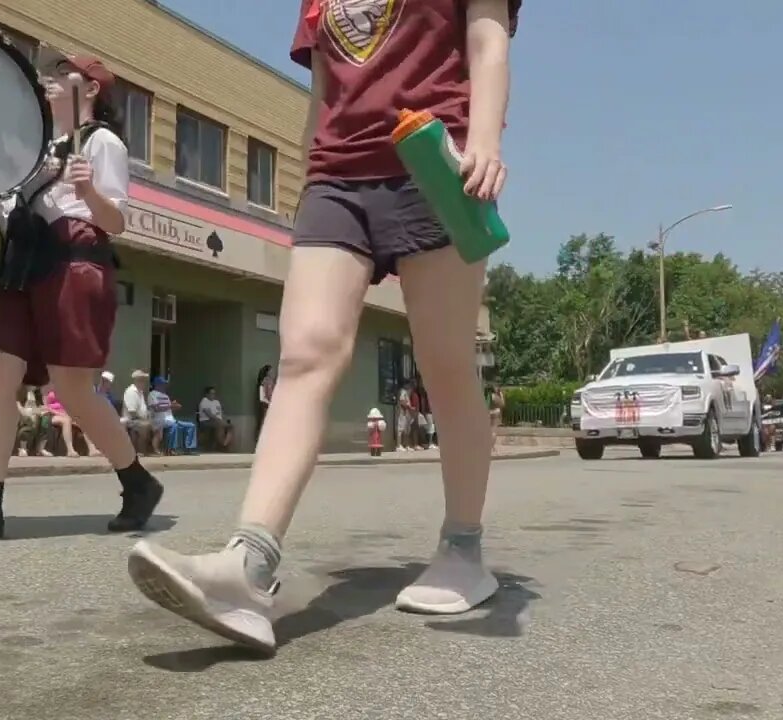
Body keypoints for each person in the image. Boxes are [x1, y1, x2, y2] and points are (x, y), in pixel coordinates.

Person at [128, 0, 520, 654]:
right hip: (337, 178)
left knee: (446, 361)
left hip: (433, 156)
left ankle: (462, 549)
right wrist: (308, 184)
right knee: (304, 355)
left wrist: (484, 141)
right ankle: (247, 568)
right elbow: (324, 89)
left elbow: (487, 41)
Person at [0, 55, 162, 543]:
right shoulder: (35, 150)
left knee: (74, 391)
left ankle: (138, 482)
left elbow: (114, 222)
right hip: (22, 268)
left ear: (90, 88)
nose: (48, 82)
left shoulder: (102, 143)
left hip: (74, 262)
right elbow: (13, 223)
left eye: (60, 75)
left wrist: (88, 188)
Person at [149, 376, 197, 454]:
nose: (165, 386)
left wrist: (175, 407)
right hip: (159, 420)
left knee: (191, 426)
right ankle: (170, 449)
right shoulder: (152, 395)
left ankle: (188, 449)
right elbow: (156, 408)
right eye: (163, 384)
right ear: (157, 385)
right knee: (173, 426)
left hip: (170, 420)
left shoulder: (165, 396)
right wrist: (171, 406)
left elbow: (169, 409)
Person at [122, 370, 154, 453]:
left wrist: (148, 415)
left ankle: (147, 450)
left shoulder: (140, 392)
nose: (144, 382)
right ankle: (140, 451)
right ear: (137, 380)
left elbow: (143, 409)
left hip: (139, 419)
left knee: (155, 424)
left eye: (144, 380)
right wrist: (144, 420)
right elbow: (132, 412)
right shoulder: (131, 392)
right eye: (142, 380)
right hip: (131, 420)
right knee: (145, 425)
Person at [198, 385, 234, 451]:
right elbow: (209, 415)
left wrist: (225, 419)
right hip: (207, 421)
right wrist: (220, 421)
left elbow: (221, 413)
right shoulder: (204, 401)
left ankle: (224, 444)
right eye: (211, 393)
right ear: (207, 394)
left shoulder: (216, 402)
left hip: (217, 420)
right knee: (219, 425)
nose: (213, 395)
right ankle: (222, 446)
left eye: (214, 393)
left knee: (230, 426)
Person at [255, 364, 274, 441]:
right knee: (265, 423)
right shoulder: (266, 381)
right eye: (271, 371)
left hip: (268, 404)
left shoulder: (270, 381)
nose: (273, 372)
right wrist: (269, 403)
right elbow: (264, 396)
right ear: (267, 372)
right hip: (266, 404)